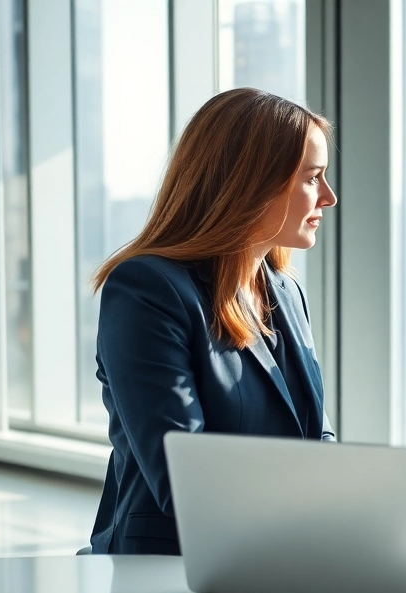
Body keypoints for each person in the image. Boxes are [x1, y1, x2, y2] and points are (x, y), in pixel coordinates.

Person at [88, 88, 338, 556]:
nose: (329, 196)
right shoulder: (147, 289)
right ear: (252, 183)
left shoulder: (284, 290)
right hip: (174, 567)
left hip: (281, 553)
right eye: (313, 178)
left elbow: (315, 435)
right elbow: (182, 476)